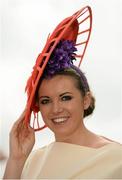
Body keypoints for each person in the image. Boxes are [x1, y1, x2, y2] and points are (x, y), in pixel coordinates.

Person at [3, 6, 122, 179]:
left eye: (65, 97)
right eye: (45, 100)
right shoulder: (32, 160)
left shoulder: (116, 159)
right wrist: (16, 158)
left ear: (86, 100)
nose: (56, 109)